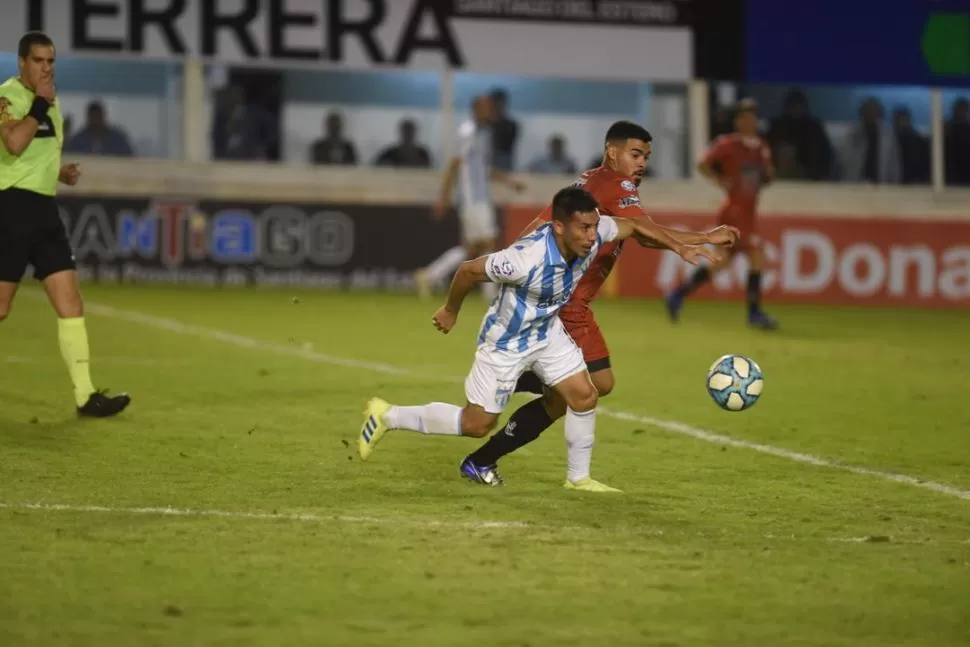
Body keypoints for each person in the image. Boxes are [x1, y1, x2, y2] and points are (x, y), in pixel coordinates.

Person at [357, 187, 723, 492]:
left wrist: (682, 245)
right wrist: (451, 310)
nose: (591, 236)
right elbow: (468, 271)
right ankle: (388, 416)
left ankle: (578, 479)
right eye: (583, 228)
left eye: (594, 226)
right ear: (559, 227)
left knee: (584, 394)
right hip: (506, 345)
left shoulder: (594, 233)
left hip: (548, 335)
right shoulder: (522, 260)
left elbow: (629, 225)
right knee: (477, 425)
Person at [458, 120, 740, 486]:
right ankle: (516, 395)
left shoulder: (588, 181)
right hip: (567, 305)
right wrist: (700, 238)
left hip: (564, 301)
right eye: (635, 154)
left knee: (577, 394)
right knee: (591, 388)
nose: (642, 163)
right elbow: (646, 229)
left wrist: (520, 265)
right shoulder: (616, 184)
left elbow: (633, 232)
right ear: (613, 152)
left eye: (646, 157)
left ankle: (488, 449)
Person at [0, 31, 130, 417]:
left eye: (51, 61)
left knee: (70, 300)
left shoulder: (50, 101)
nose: (46, 67)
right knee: (2, 307)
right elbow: (13, 145)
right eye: (38, 61)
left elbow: (34, 156)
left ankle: (85, 395)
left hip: (43, 211)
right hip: (10, 208)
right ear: (22, 62)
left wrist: (59, 173)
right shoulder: (9, 96)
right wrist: (40, 103)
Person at [664, 99, 778, 330]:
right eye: (745, 116)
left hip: (748, 211)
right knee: (756, 255)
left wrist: (767, 174)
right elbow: (703, 163)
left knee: (722, 262)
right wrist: (720, 180)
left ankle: (677, 294)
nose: (750, 120)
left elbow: (767, 176)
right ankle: (754, 313)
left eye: (753, 116)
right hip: (734, 211)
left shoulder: (761, 147)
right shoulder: (728, 144)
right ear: (738, 121)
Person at [413, 95, 524, 303]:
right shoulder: (468, 132)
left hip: (480, 196)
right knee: (488, 242)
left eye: (491, 107)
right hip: (472, 198)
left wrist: (508, 180)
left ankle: (429, 276)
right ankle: (490, 296)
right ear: (476, 109)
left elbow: (481, 169)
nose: (490, 111)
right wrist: (443, 196)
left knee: (472, 247)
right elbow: (454, 164)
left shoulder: (485, 134)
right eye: (486, 107)